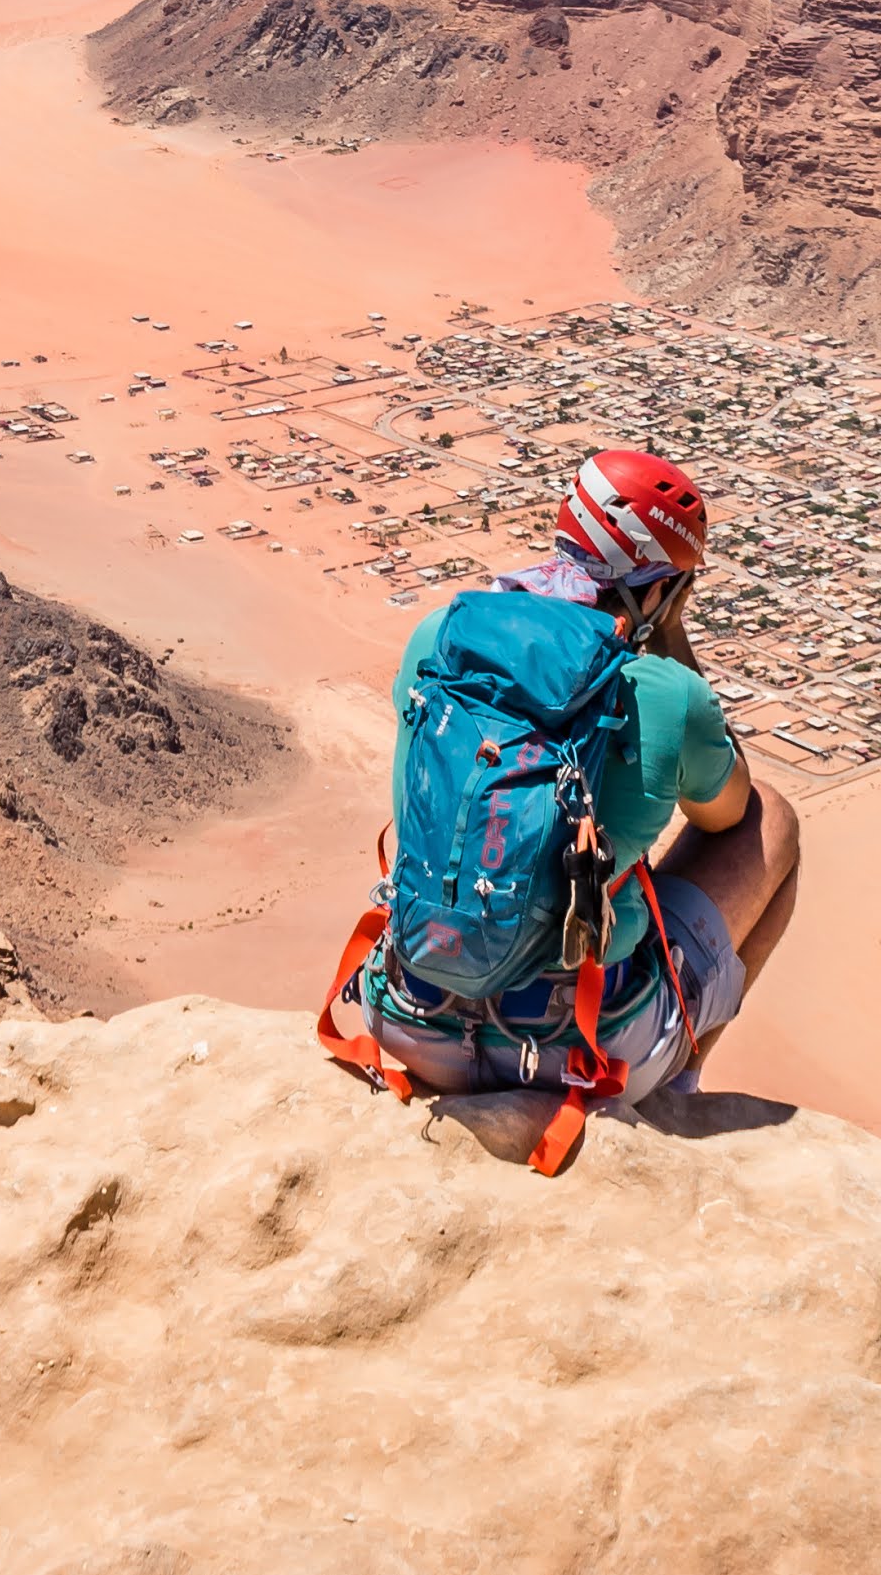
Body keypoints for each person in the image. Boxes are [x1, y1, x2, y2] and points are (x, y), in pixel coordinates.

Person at [319, 447, 803, 1150]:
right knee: (774, 821)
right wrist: (671, 639)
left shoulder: (442, 635)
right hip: (576, 1054)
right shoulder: (666, 693)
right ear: (663, 585)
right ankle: (675, 1083)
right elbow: (726, 813)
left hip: (410, 1019)